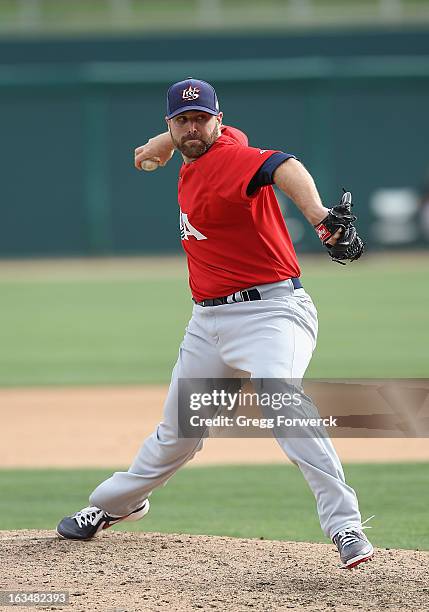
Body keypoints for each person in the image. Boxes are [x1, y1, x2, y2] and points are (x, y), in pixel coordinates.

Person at [56, 78, 373, 569]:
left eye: (201, 118)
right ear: (170, 123)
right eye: (182, 120)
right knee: (177, 434)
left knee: (280, 395)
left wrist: (318, 216)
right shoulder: (206, 146)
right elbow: (182, 142)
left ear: (218, 120)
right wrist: (160, 147)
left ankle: (345, 525)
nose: (192, 128)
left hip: (271, 313)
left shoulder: (231, 158)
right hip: (207, 323)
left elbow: (282, 164)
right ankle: (115, 505)